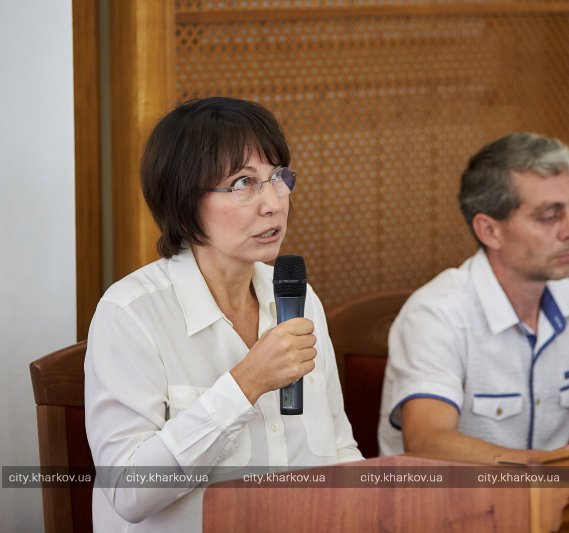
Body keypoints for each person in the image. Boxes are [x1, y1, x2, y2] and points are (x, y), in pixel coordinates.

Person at [85, 97, 362, 532]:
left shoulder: (298, 297)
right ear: (184, 204)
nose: (273, 203)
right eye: (242, 183)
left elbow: (339, 448)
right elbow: (128, 493)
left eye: (277, 177)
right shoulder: (130, 314)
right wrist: (245, 384)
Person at [378, 132, 569, 464]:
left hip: (548, 494)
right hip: (449, 497)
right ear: (490, 231)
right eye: (550, 215)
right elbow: (428, 442)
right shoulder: (436, 314)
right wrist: (545, 466)